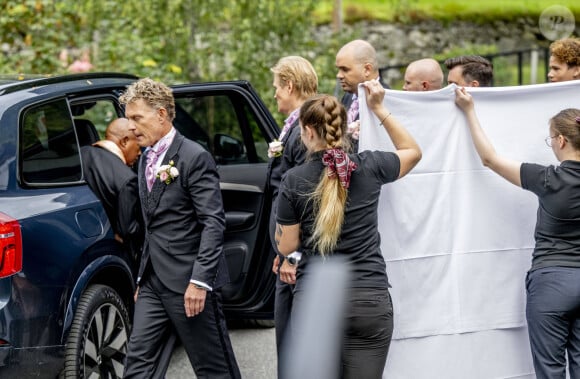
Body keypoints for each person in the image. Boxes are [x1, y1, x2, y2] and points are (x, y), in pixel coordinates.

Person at [275, 81, 422, 378]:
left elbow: (287, 246)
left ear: (308, 131)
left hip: (318, 298)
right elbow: (412, 151)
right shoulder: (370, 166)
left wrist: (284, 242)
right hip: (369, 298)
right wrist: (379, 108)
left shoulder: (294, 179)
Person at [455, 87, 580, 379]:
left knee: (550, 370)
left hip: (551, 282)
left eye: (551, 139)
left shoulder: (549, 179)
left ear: (561, 140)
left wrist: (469, 110)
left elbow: (490, 159)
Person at [119, 78, 241, 379]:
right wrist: (140, 277)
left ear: (161, 115)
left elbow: (213, 222)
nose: (131, 127)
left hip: (190, 280)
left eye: (137, 118)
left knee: (213, 367)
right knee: (137, 364)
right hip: (152, 282)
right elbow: (152, 225)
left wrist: (200, 281)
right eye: (129, 118)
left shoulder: (194, 157)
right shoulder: (145, 158)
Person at [267, 55, 318, 374]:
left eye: (276, 88)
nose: (274, 94)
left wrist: (294, 255)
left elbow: (306, 200)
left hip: (300, 258)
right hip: (289, 250)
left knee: (295, 338)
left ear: (290, 85)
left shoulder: (304, 133)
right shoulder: (294, 128)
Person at [80, 117, 142, 259]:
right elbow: (127, 231)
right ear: (125, 141)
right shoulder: (127, 179)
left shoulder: (81, 154)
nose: (140, 153)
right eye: (138, 146)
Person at [335, 39, 387, 142]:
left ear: (367, 69)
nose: (339, 75)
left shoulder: (386, 100)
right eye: (338, 69)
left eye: (345, 69)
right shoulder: (348, 96)